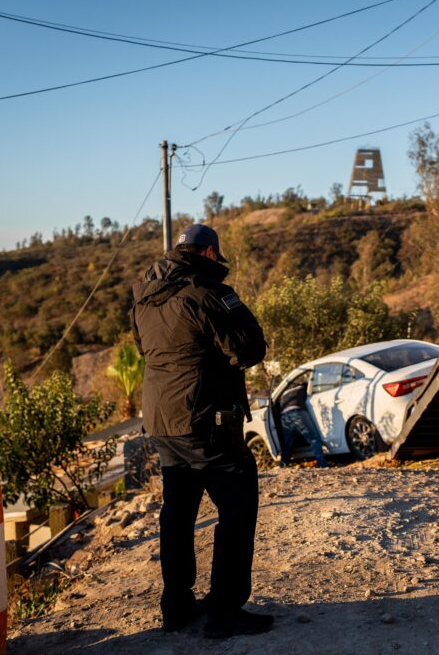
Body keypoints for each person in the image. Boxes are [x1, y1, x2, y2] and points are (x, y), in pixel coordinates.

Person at [132, 223, 273, 639]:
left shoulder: (144, 295)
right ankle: (226, 611)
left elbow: (147, 349)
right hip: (206, 421)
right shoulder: (208, 293)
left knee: (177, 514)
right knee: (236, 508)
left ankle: (176, 607)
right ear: (210, 254)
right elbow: (250, 348)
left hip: (162, 421)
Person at [277, 372, 328, 468]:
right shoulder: (303, 388)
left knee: (287, 445)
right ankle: (322, 465)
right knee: (313, 439)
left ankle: (283, 466)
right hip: (298, 413)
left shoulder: (285, 393)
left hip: (284, 417)